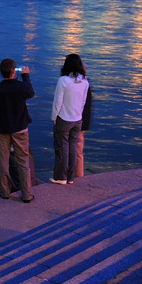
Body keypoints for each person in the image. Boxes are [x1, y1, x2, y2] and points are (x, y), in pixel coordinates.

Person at [0, 58, 35, 203]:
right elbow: (31, 92)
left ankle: (4, 192)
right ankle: (27, 194)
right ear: (13, 72)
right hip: (20, 128)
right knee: (23, 161)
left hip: (2, 129)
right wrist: (26, 76)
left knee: (3, 161)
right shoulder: (21, 87)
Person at [50, 54, 90, 185]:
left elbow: (58, 102)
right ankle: (70, 177)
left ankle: (61, 177)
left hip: (64, 118)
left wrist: (54, 117)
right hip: (77, 119)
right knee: (73, 148)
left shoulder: (63, 80)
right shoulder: (85, 81)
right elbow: (83, 101)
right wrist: (79, 115)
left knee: (62, 148)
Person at [76, 80, 93, 178]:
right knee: (78, 150)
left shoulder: (70, 82)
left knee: (71, 148)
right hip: (82, 121)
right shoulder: (86, 83)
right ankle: (79, 174)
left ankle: (71, 174)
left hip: (75, 120)